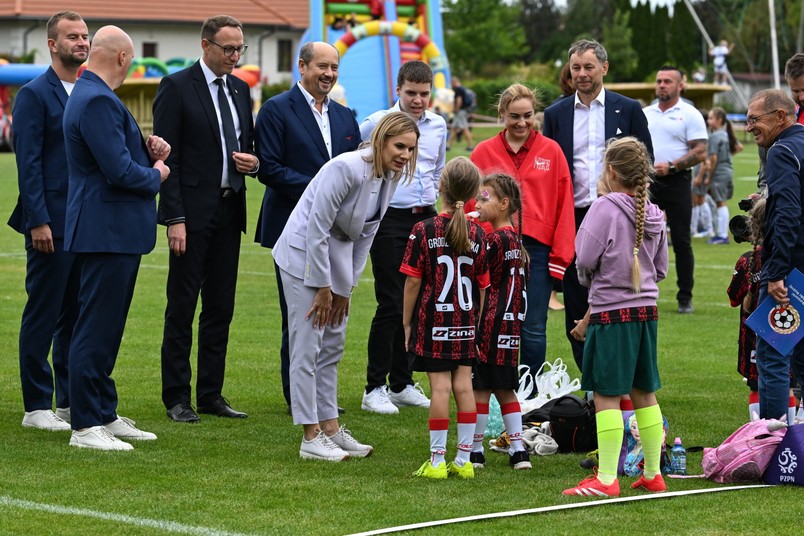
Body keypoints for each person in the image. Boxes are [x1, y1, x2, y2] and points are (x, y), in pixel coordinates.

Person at [273, 111, 419, 461]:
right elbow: (316, 228)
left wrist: (345, 288)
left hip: (336, 257)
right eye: (400, 146)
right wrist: (323, 286)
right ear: (381, 141)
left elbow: (366, 235)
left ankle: (331, 427)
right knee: (308, 344)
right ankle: (310, 436)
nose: (405, 155)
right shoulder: (345, 168)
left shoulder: (390, 177)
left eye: (411, 149)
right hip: (302, 255)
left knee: (333, 344)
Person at [63, 25, 170, 450]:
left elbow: (116, 159)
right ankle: (86, 425)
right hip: (106, 230)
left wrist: (148, 152)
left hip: (109, 230)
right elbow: (119, 172)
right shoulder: (97, 99)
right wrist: (158, 173)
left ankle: (103, 412)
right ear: (123, 58)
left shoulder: (93, 95)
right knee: (95, 328)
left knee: (106, 328)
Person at [154, 15, 259, 423]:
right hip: (191, 215)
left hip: (230, 210)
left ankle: (211, 394)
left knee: (220, 307)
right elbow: (169, 159)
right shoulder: (176, 86)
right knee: (181, 307)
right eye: (228, 48)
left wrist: (252, 163)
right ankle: (177, 397)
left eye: (239, 49)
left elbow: (246, 144)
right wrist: (175, 218)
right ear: (205, 45)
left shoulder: (241, 89)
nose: (235, 56)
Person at [255, 42, 360, 415]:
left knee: (331, 319)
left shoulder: (346, 117)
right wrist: (323, 191)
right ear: (302, 66)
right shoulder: (276, 110)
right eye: (321, 66)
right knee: (300, 317)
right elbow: (269, 168)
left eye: (334, 67)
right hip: (292, 229)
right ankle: (299, 398)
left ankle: (322, 397)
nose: (328, 74)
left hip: (336, 232)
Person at [564, 137, 668, 497]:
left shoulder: (604, 208)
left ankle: (607, 478)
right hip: (647, 312)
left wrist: (590, 279)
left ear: (611, 170)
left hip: (612, 313)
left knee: (606, 394)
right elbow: (661, 269)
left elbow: (584, 259)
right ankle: (653, 473)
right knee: (644, 392)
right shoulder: (654, 212)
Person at [543, 39, 654, 371]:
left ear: (604, 68)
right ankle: (589, 378)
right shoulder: (555, 114)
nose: (581, 74)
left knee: (618, 294)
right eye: (575, 67)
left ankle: (622, 372)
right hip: (573, 217)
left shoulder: (628, 109)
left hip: (619, 216)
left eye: (588, 67)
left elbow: (645, 163)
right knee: (576, 294)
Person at [9, 11, 88, 432]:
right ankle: (36, 405)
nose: (82, 42)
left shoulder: (90, 91)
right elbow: (29, 164)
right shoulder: (34, 94)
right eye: (72, 36)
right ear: (53, 45)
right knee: (44, 312)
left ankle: (70, 403)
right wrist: (38, 220)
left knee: (76, 315)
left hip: (85, 223)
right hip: (50, 224)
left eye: (85, 35)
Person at [470, 83, 575, 377]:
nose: (521, 122)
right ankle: (490, 387)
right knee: (490, 320)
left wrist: (561, 255)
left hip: (537, 252)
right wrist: (475, 242)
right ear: (502, 113)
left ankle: (532, 390)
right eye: (514, 116)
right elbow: (472, 201)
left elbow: (564, 204)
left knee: (533, 326)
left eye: (527, 115)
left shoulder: (551, 151)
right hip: (493, 249)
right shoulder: (483, 152)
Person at [360, 60, 446, 414]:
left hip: (426, 217)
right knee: (392, 303)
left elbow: (437, 168)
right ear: (398, 90)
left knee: (420, 303)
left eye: (424, 94)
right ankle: (374, 387)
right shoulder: (376, 123)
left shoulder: (438, 125)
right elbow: (359, 165)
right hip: (389, 220)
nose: (418, 100)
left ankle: (402, 382)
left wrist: (434, 200)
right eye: (411, 93)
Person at [402, 157, 488, 480]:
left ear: (440, 186)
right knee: (464, 387)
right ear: (474, 194)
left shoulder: (423, 230)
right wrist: (476, 324)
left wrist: (406, 322)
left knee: (439, 389)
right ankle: (464, 460)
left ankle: (437, 461)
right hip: (465, 323)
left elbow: (412, 282)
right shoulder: (478, 233)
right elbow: (483, 287)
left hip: (434, 322)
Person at [745, 89, 804, 421]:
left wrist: (777, 271)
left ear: (780, 116)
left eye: (755, 119)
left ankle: (771, 439)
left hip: (793, 268)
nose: (749, 127)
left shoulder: (781, 150)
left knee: (772, 353)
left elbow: (787, 213)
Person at [470, 173, 531, 471]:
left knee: (480, 389)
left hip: (490, 325)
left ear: (504, 204)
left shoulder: (493, 240)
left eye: (485, 198)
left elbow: (477, 277)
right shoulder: (517, 242)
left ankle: (475, 450)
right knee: (506, 389)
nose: (478, 204)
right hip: (511, 327)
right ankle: (518, 451)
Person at [644, 66, 708, 314]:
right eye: (659, 80)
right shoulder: (645, 113)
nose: (662, 85)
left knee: (681, 240)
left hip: (677, 181)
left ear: (680, 85)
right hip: (648, 182)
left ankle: (685, 297)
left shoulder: (690, 114)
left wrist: (672, 166)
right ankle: (640, 292)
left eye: (668, 81)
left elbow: (700, 150)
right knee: (640, 239)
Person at [706, 107, 741, 245]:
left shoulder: (715, 136)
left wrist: (709, 176)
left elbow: (713, 158)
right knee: (720, 201)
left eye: (711, 118)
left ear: (719, 120)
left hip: (720, 171)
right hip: (727, 170)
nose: (708, 121)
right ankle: (721, 234)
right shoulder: (725, 134)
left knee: (720, 202)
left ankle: (722, 235)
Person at [449, 76, 474, 151]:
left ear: (454, 82)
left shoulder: (458, 89)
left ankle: (470, 146)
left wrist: (456, 109)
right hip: (463, 111)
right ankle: (448, 145)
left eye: (451, 83)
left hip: (460, 111)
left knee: (465, 128)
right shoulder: (463, 88)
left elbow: (459, 100)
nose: (451, 85)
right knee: (454, 128)